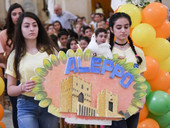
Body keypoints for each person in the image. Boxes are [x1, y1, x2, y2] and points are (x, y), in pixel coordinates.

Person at [5, 12, 59, 128]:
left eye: (35, 25)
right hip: (26, 104)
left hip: (49, 103)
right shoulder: (15, 55)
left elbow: (61, 78)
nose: (31, 29)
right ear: (20, 29)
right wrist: (22, 87)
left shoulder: (51, 51)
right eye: (27, 26)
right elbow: (10, 89)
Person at [109, 12, 146, 128]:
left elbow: (141, 78)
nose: (123, 30)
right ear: (111, 29)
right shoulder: (106, 52)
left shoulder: (138, 52)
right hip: (113, 102)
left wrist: (142, 99)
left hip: (133, 102)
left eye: (126, 27)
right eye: (118, 27)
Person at [0, 3, 24, 128]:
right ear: (10, 17)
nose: (17, 16)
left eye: (20, 13)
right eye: (14, 14)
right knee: (17, 107)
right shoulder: (3, 34)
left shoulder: (28, 31)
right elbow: (0, 56)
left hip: (27, 74)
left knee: (29, 108)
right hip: (11, 75)